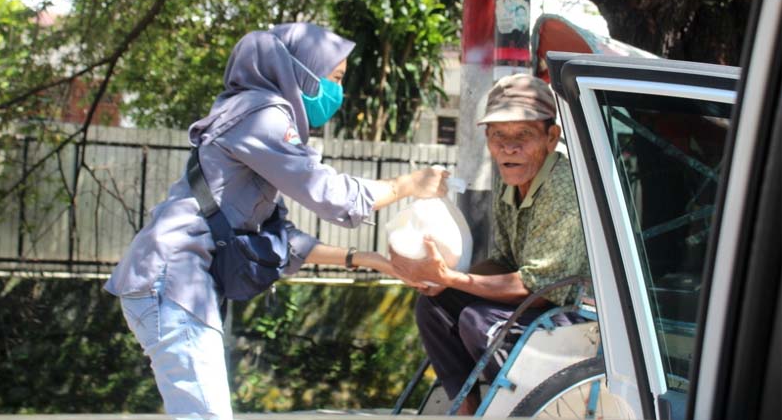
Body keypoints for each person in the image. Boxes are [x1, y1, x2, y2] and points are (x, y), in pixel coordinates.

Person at [103, 23, 446, 418]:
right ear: (298, 70)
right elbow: (332, 196)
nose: (338, 92)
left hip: (174, 283)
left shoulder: (247, 113)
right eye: (334, 78)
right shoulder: (260, 115)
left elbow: (280, 241)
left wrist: (372, 260)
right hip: (173, 281)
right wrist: (407, 185)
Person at [389, 73, 590, 415]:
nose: (508, 148)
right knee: (433, 305)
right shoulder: (510, 178)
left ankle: (521, 409)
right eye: (498, 136)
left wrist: (454, 279)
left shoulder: (561, 188)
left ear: (551, 137)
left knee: (478, 319)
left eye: (523, 136)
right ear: (487, 139)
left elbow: (539, 287)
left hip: (572, 318)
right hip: (533, 305)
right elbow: (503, 260)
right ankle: (468, 408)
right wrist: (439, 278)